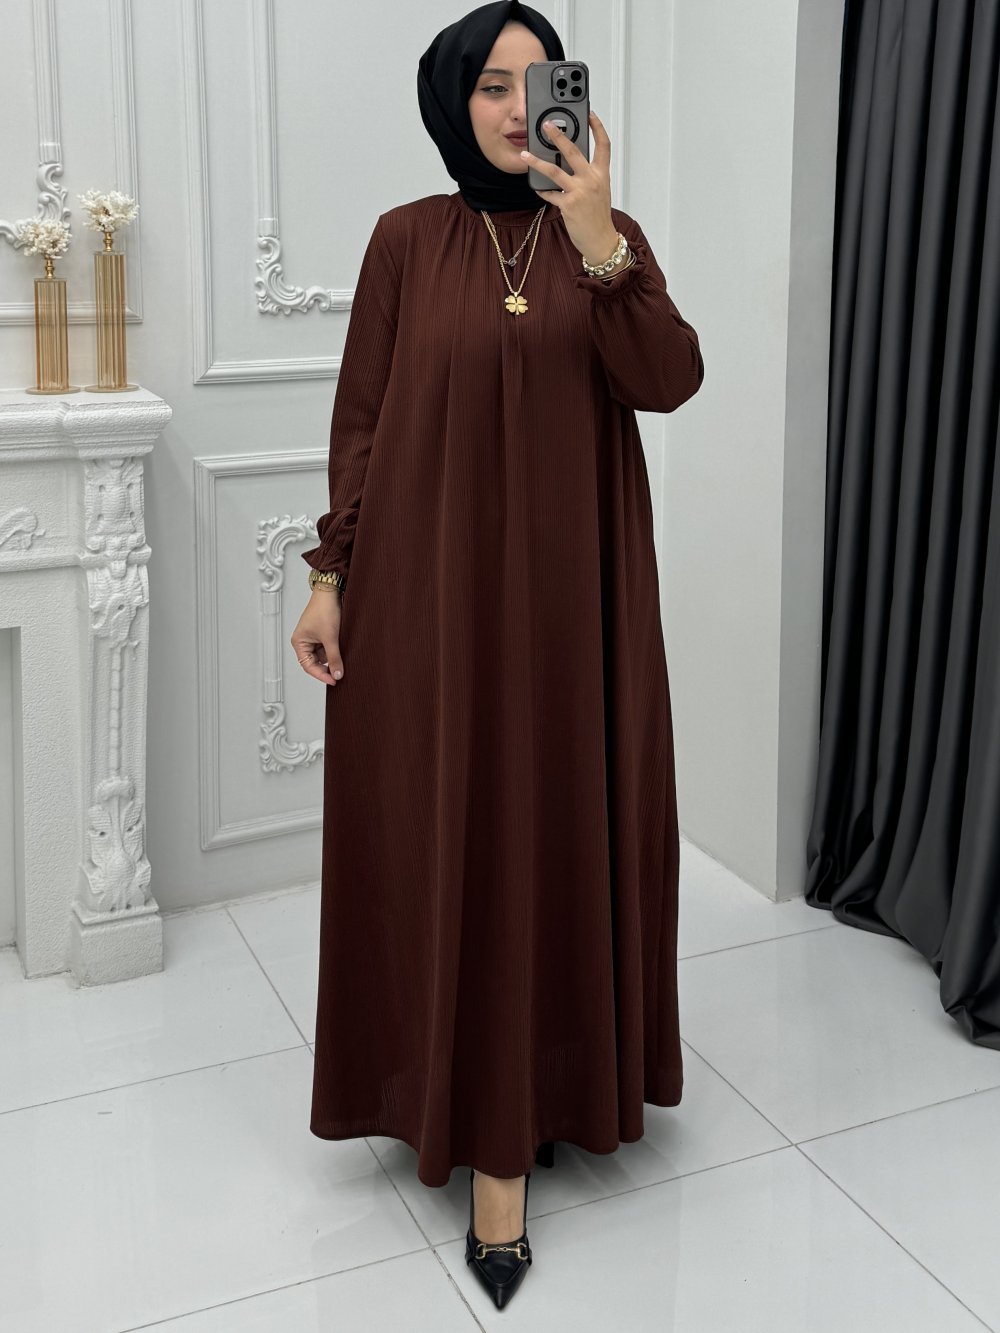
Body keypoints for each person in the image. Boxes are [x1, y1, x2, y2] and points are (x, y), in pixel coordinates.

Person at [290, 0, 704, 1310]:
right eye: (492, 84)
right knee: (443, 828)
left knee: (557, 824)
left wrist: (601, 241)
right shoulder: (406, 239)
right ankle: (470, 1123)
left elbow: (670, 381)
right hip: (429, 596)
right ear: (452, 99)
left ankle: (553, 1089)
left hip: (578, 603)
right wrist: (329, 576)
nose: (521, 108)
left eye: (541, 80)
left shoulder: (605, 236)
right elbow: (362, 418)